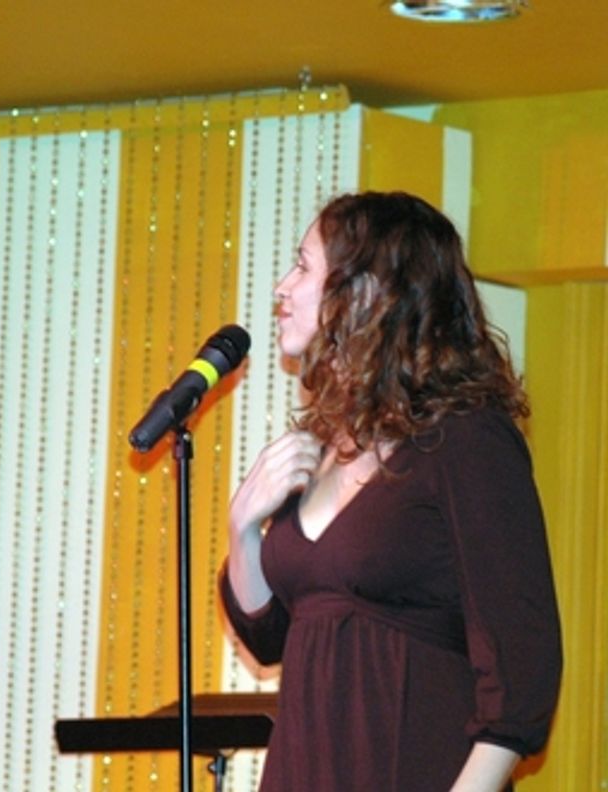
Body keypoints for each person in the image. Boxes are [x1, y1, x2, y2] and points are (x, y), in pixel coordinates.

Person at [221, 191, 562, 791]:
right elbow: (270, 637)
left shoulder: (467, 439)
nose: (282, 287)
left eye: (303, 266)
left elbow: (521, 670)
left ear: (369, 292)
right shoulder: (325, 444)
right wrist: (242, 525)